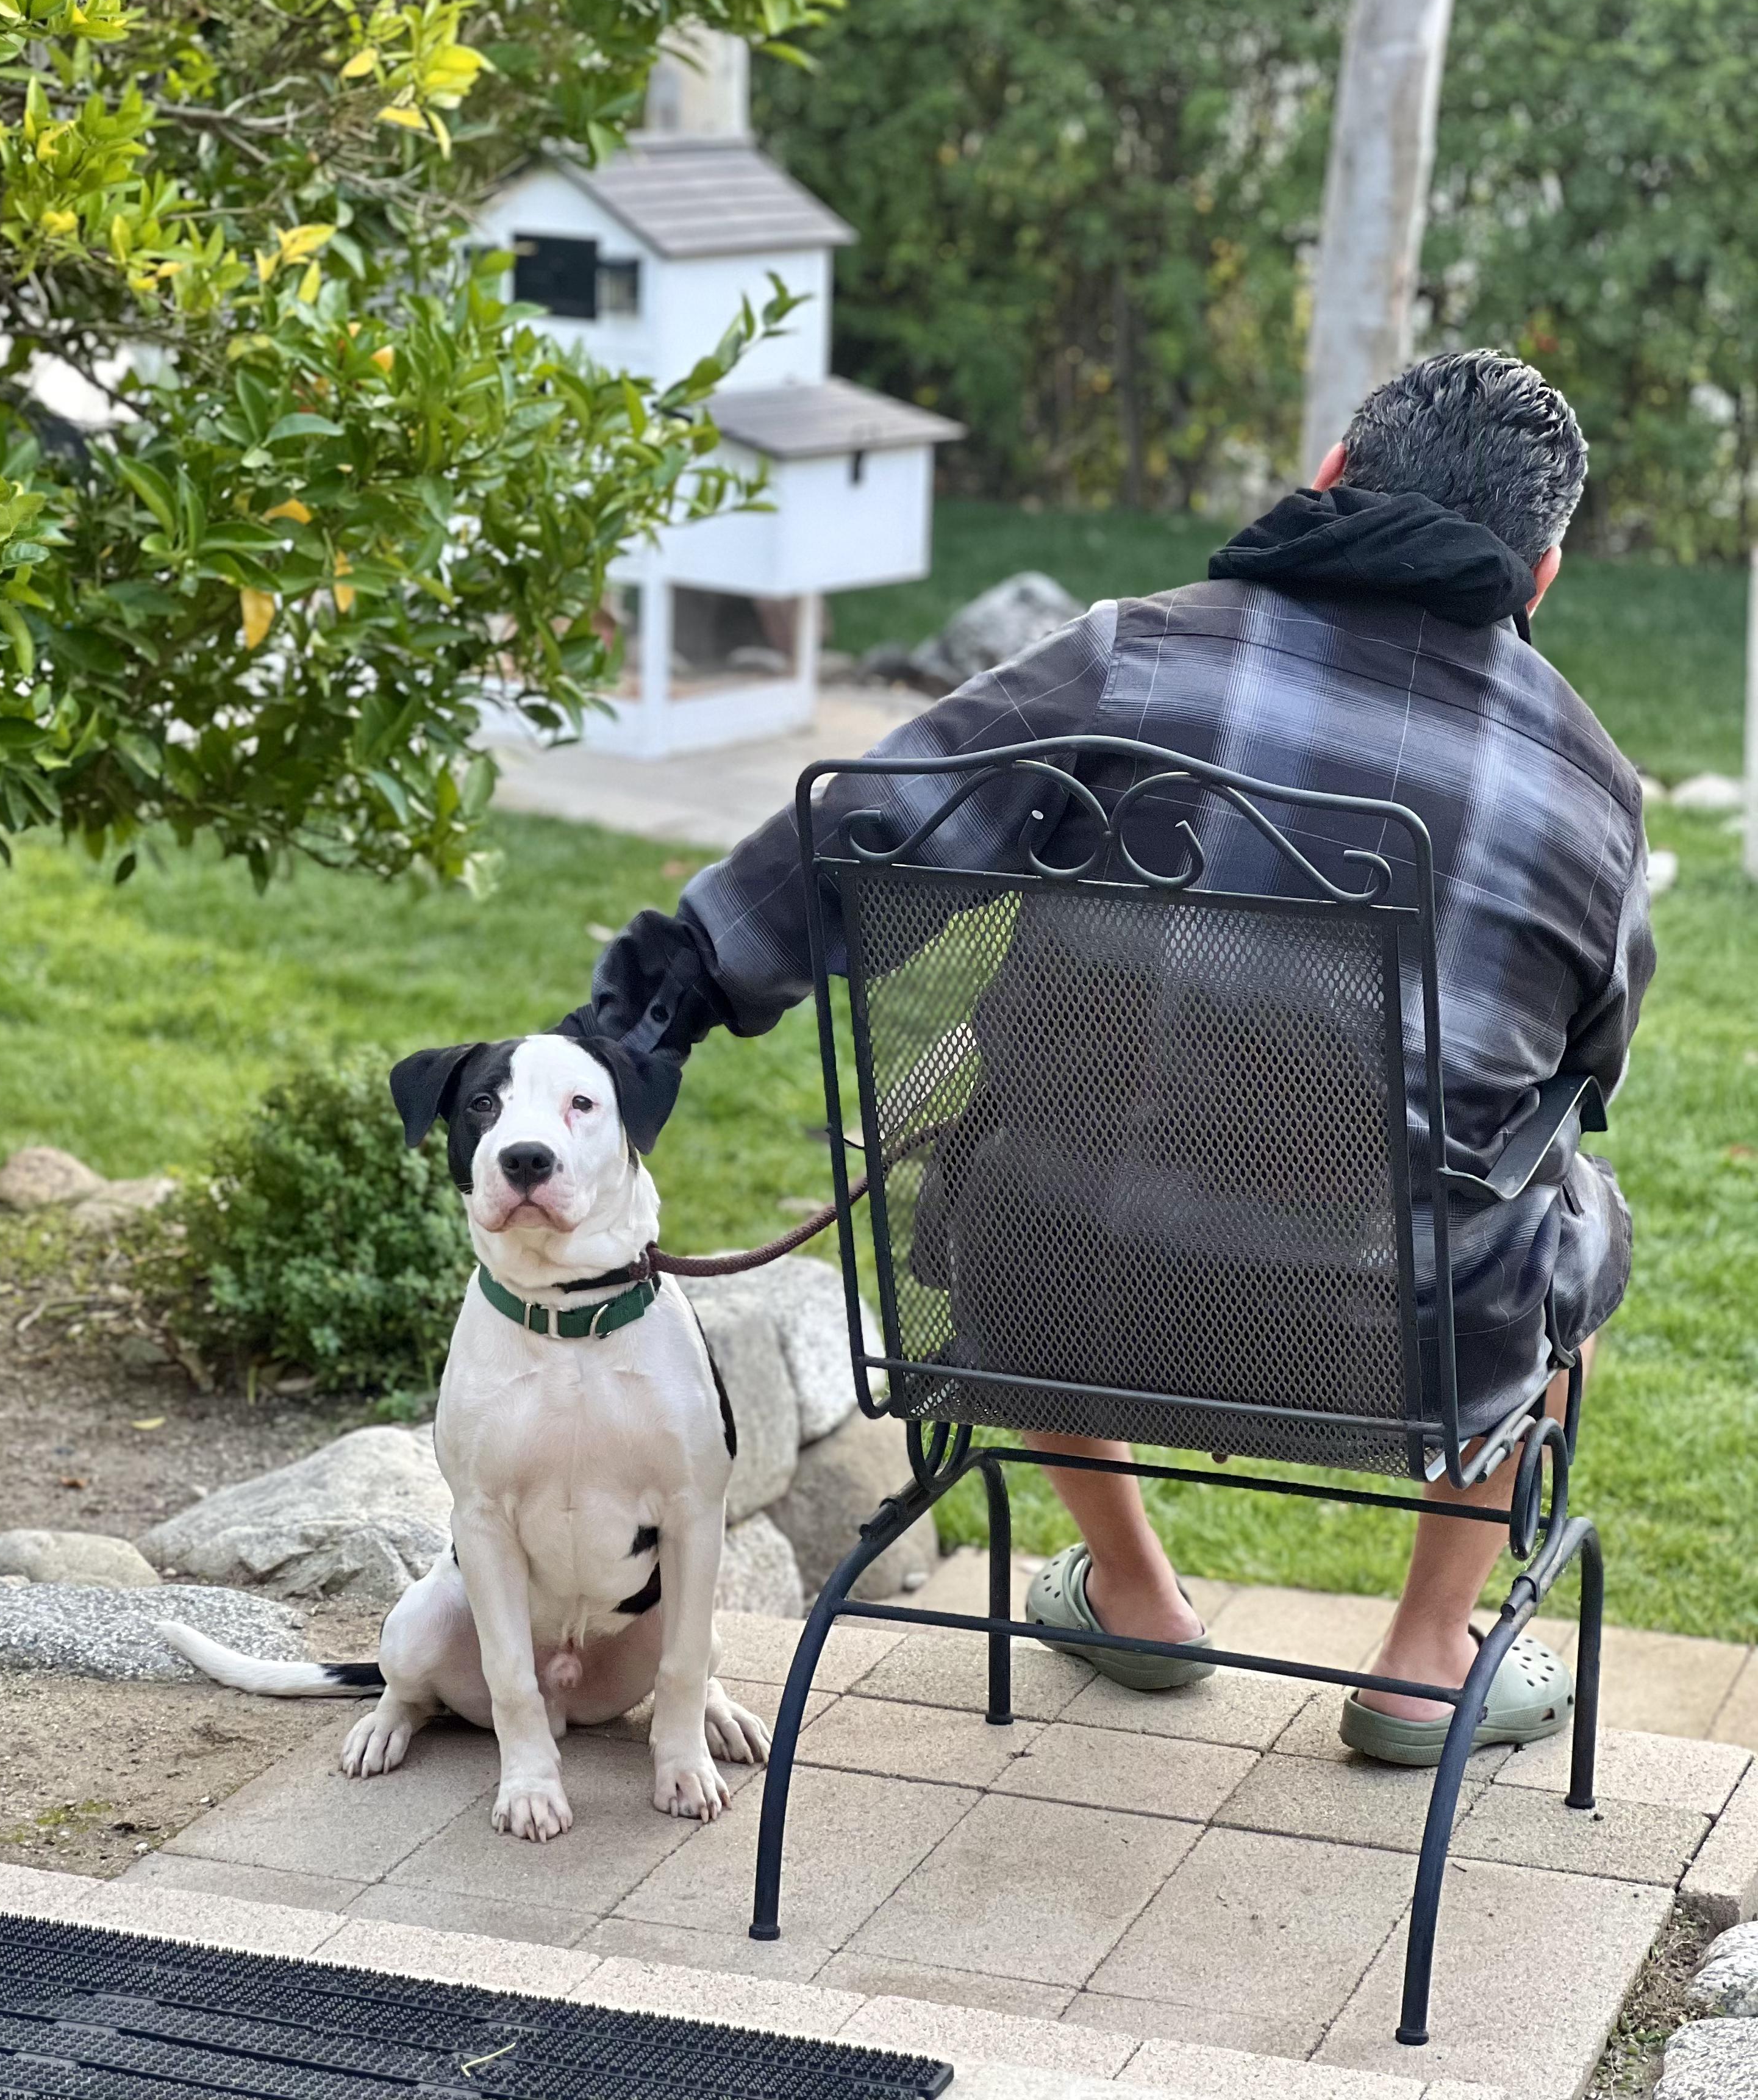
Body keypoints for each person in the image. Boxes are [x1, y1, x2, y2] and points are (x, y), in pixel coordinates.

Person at [566, 349, 1653, 1765]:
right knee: (1573, 1208)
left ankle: (1135, 1596)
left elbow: (852, 839)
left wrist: (656, 1012)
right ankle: (1426, 1663)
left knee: (1028, 1143)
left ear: (1328, 478)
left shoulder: (1129, 656)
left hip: (1055, 1282)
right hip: (1395, 1340)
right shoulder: (1588, 784)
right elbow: (1591, 1060)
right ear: (1543, 575)